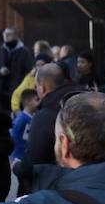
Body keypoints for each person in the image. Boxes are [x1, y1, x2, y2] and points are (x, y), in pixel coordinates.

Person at [18, 63, 85, 191]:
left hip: (60, 189)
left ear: (42, 87)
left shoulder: (44, 117)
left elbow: (35, 161)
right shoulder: (86, 99)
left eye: (36, 86)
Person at [10, 89, 39, 162]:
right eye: (37, 100)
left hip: (27, 156)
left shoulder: (33, 117)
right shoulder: (21, 120)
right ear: (27, 102)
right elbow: (13, 136)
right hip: (18, 157)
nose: (39, 102)